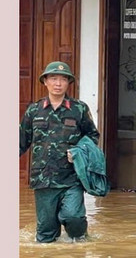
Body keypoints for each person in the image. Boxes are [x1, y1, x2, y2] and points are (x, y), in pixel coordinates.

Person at [19, 61, 100, 243]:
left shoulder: (79, 109)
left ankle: (79, 246)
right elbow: (20, 141)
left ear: (68, 83)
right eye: (54, 78)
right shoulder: (34, 110)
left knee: (74, 218)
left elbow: (92, 136)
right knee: (46, 236)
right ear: (45, 81)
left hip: (71, 177)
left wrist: (79, 151)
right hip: (43, 180)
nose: (58, 83)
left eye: (63, 79)